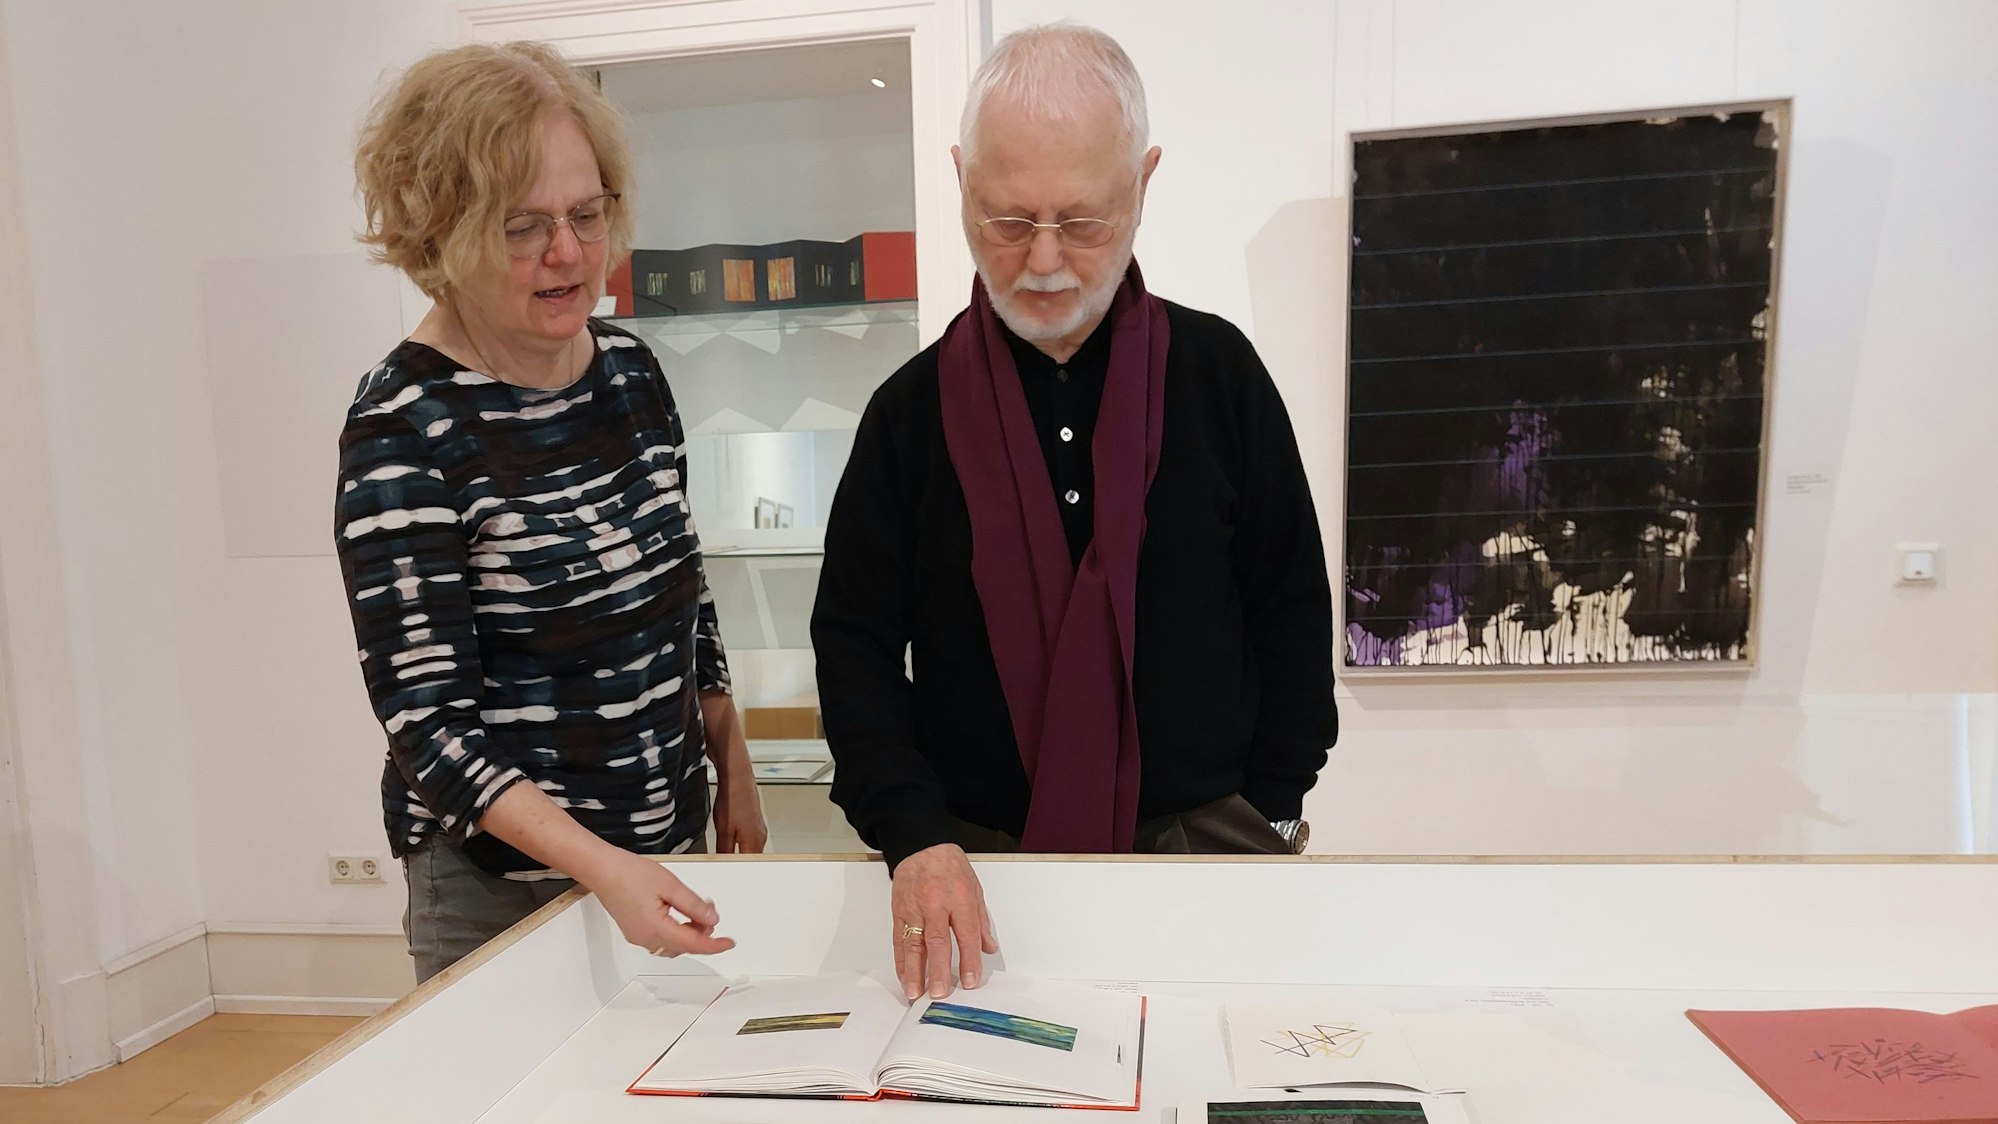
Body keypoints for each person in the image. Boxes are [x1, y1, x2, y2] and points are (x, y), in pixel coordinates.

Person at [811, 23, 1338, 1004]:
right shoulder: (907, 416)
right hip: (970, 867)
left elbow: (1292, 612)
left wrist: (1268, 811)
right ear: (962, 177)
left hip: (1209, 847)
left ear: (1143, 182)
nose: (1044, 260)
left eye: (1083, 221)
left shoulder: (1219, 379)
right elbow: (853, 646)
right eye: (1007, 220)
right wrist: (914, 831)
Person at [338, 41, 766, 983]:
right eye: (522, 225)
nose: (567, 253)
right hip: (502, 890)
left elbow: (685, 594)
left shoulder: (629, 372)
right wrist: (602, 868)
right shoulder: (405, 426)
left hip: (661, 855)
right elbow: (427, 724)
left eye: (585, 213)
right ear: (440, 231)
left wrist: (731, 762)